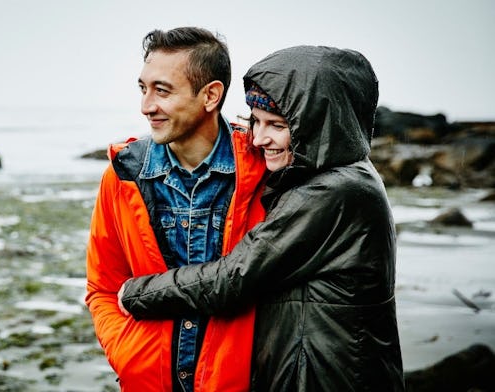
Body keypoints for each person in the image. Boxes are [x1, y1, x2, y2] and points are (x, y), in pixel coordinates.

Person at [119, 45, 406, 391]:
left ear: (314, 126)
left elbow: (232, 279)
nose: (258, 138)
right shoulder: (344, 173)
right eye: (255, 120)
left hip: (324, 378)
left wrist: (134, 294)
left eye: (277, 125)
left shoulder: (332, 193)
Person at [85, 27, 266, 391]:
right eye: (143, 88)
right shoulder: (123, 176)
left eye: (162, 90)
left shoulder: (262, 171)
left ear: (211, 95)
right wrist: (128, 354)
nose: (146, 105)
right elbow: (103, 287)